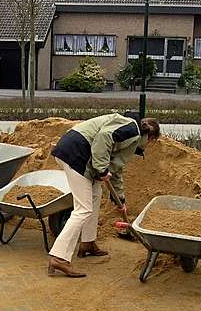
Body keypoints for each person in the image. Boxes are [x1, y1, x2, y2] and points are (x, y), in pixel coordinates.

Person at [47, 113, 161, 277]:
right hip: (76, 152)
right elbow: (104, 137)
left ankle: (88, 242)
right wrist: (101, 169)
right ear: (150, 137)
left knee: (95, 194)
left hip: (76, 151)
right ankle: (59, 257)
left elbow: (116, 169)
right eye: (152, 142)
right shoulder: (132, 129)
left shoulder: (131, 136)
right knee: (83, 209)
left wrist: (119, 199)